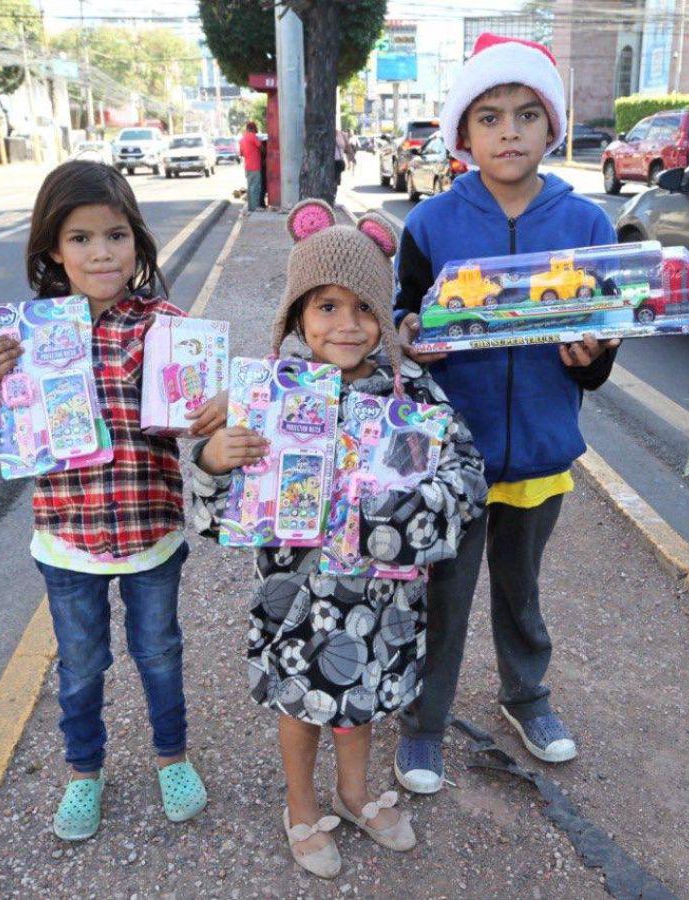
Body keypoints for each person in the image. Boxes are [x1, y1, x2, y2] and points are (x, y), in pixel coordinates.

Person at [188, 199, 487, 879]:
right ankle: (300, 806)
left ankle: (354, 794)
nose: (347, 325)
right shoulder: (263, 392)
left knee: (361, 703)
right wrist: (213, 459)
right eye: (326, 307)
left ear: (385, 315)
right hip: (296, 595)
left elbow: (468, 479)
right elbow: (216, 504)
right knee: (301, 704)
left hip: (380, 599)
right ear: (296, 316)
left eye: (363, 308)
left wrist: (401, 508)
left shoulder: (413, 396)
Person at [0, 161, 227, 840]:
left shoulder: (166, 326)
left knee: (159, 652)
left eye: (116, 235)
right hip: (66, 542)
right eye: (80, 238)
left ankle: (171, 757)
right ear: (52, 250)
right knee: (80, 666)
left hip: (151, 534)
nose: (101, 252)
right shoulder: (24, 337)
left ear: (137, 243)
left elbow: (202, 430)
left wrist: (217, 412)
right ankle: (84, 772)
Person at [390, 33, 620, 793]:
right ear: (462, 136)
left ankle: (528, 698)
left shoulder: (587, 226)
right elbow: (403, 322)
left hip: (543, 451)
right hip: (454, 458)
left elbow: (605, 334)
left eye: (527, 114)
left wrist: (594, 356)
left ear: (553, 127)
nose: (509, 131)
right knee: (444, 596)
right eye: (489, 117)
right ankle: (424, 724)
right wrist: (412, 340)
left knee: (522, 592)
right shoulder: (429, 226)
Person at [240, 121, 264, 211]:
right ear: (253, 128)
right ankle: (255, 207)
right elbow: (261, 147)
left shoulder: (242, 139)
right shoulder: (253, 136)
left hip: (247, 166)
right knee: (256, 187)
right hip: (255, 166)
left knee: (250, 187)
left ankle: (250, 207)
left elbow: (241, 153)